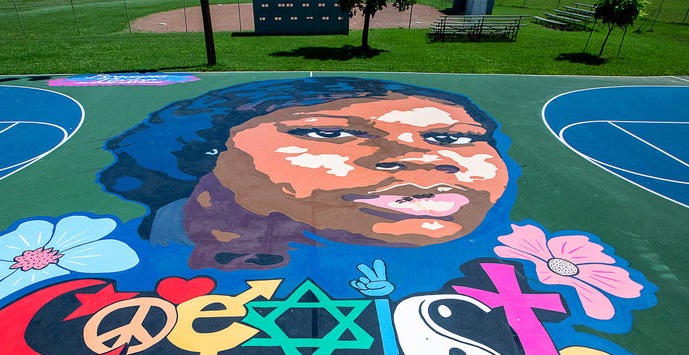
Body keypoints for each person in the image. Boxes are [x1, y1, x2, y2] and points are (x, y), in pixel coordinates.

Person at [98, 77, 512, 270]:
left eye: (450, 138)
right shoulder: (150, 247)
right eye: (330, 133)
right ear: (210, 152)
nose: (417, 158)